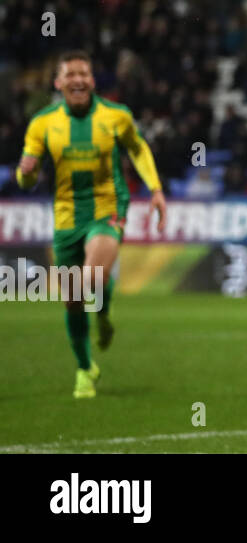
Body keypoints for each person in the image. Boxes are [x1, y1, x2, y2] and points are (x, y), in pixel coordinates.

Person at [15, 50, 167, 398]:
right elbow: (28, 177)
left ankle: (102, 304)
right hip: (67, 215)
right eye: (71, 75)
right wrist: (24, 174)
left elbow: (138, 149)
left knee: (92, 278)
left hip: (108, 207)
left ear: (93, 81)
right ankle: (86, 368)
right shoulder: (42, 123)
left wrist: (155, 189)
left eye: (84, 73)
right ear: (59, 83)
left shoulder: (116, 116)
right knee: (71, 300)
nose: (78, 80)